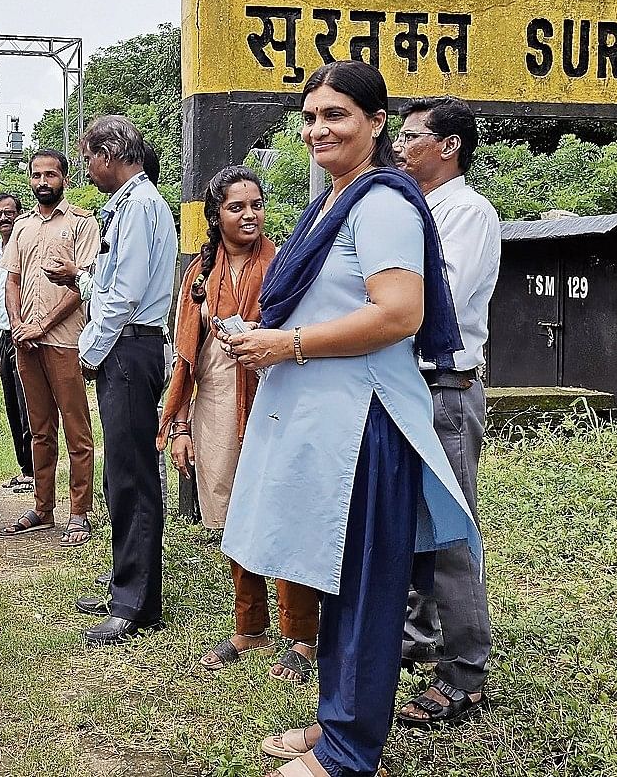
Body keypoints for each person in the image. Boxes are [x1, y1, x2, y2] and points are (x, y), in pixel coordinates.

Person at [219, 61, 479, 777]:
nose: (317, 129)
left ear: (375, 122)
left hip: (366, 424)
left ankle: (348, 755)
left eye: (335, 115)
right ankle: (337, 718)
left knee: (365, 589)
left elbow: (399, 313)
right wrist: (262, 334)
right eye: (308, 117)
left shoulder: (383, 203)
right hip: (329, 422)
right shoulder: (334, 201)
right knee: (337, 580)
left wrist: (289, 343)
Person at [158, 165, 325, 680]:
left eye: (256, 205)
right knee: (234, 516)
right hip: (213, 402)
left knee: (280, 512)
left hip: (273, 398)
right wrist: (180, 424)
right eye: (236, 207)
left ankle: (302, 637)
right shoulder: (199, 275)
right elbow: (187, 356)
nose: (249, 215)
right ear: (215, 216)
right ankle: (249, 629)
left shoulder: (282, 263)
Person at [392, 96, 499, 727]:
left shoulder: (467, 213)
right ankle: (421, 634)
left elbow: (435, 301)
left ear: (448, 146)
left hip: (445, 390)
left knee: (453, 533)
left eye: (412, 136)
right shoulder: (420, 210)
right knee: (413, 525)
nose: (402, 146)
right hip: (412, 387)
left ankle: (465, 676)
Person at [65, 115, 178, 645]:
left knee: (133, 475)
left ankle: (137, 602)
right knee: (120, 473)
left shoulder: (138, 206)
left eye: (90, 156)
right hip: (125, 343)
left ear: (111, 154)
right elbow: (115, 281)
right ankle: (124, 586)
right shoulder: (130, 205)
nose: (86, 167)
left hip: (129, 346)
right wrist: (86, 281)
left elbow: (128, 293)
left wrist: (91, 347)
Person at [0, 152, 101, 546]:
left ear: (65, 178)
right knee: (39, 429)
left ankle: (79, 512)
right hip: (27, 342)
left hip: (65, 341)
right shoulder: (21, 228)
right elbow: (11, 280)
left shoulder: (82, 223)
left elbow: (85, 284)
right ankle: (43, 509)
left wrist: (42, 323)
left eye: (51, 174)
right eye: (37, 175)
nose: (43, 180)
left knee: (76, 428)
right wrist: (19, 325)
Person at [0, 192, 37, 494]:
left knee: (27, 404)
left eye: (9, 213)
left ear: (19, 215)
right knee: (11, 403)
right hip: (5, 335)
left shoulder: (24, 246)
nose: (4, 218)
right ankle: (24, 467)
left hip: (24, 333)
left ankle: (35, 470)